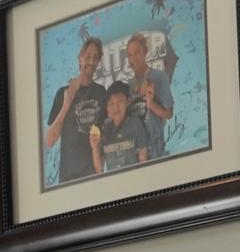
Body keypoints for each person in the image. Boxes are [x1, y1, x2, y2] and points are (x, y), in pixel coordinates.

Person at [43, 37, 110, 185]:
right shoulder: (62, 93)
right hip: (68, 177)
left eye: (95, 58)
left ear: (99, 62)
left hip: (93, 175)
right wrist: (67, 103)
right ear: (79, 58)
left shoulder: (101, 93)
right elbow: (49, 141)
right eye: (87, 57)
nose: (91, 62)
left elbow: (105, 134)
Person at [122, 32, 174, 160]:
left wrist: (151, 104)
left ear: (145, 52)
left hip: (156, 152)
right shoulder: (127, 86)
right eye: (130, 55)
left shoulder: (159, 77)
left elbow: (169, 113)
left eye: (137, 52)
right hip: (136, 156)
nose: (134, 58)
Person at [91, 81, 149, 175]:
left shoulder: (135, 123)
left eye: (120, 101)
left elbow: (143, 157)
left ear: (128, 102)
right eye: (112, 103)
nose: (116, 107)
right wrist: (95, 148)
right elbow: (99, 169)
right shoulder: (103, 128)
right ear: (107, 108)